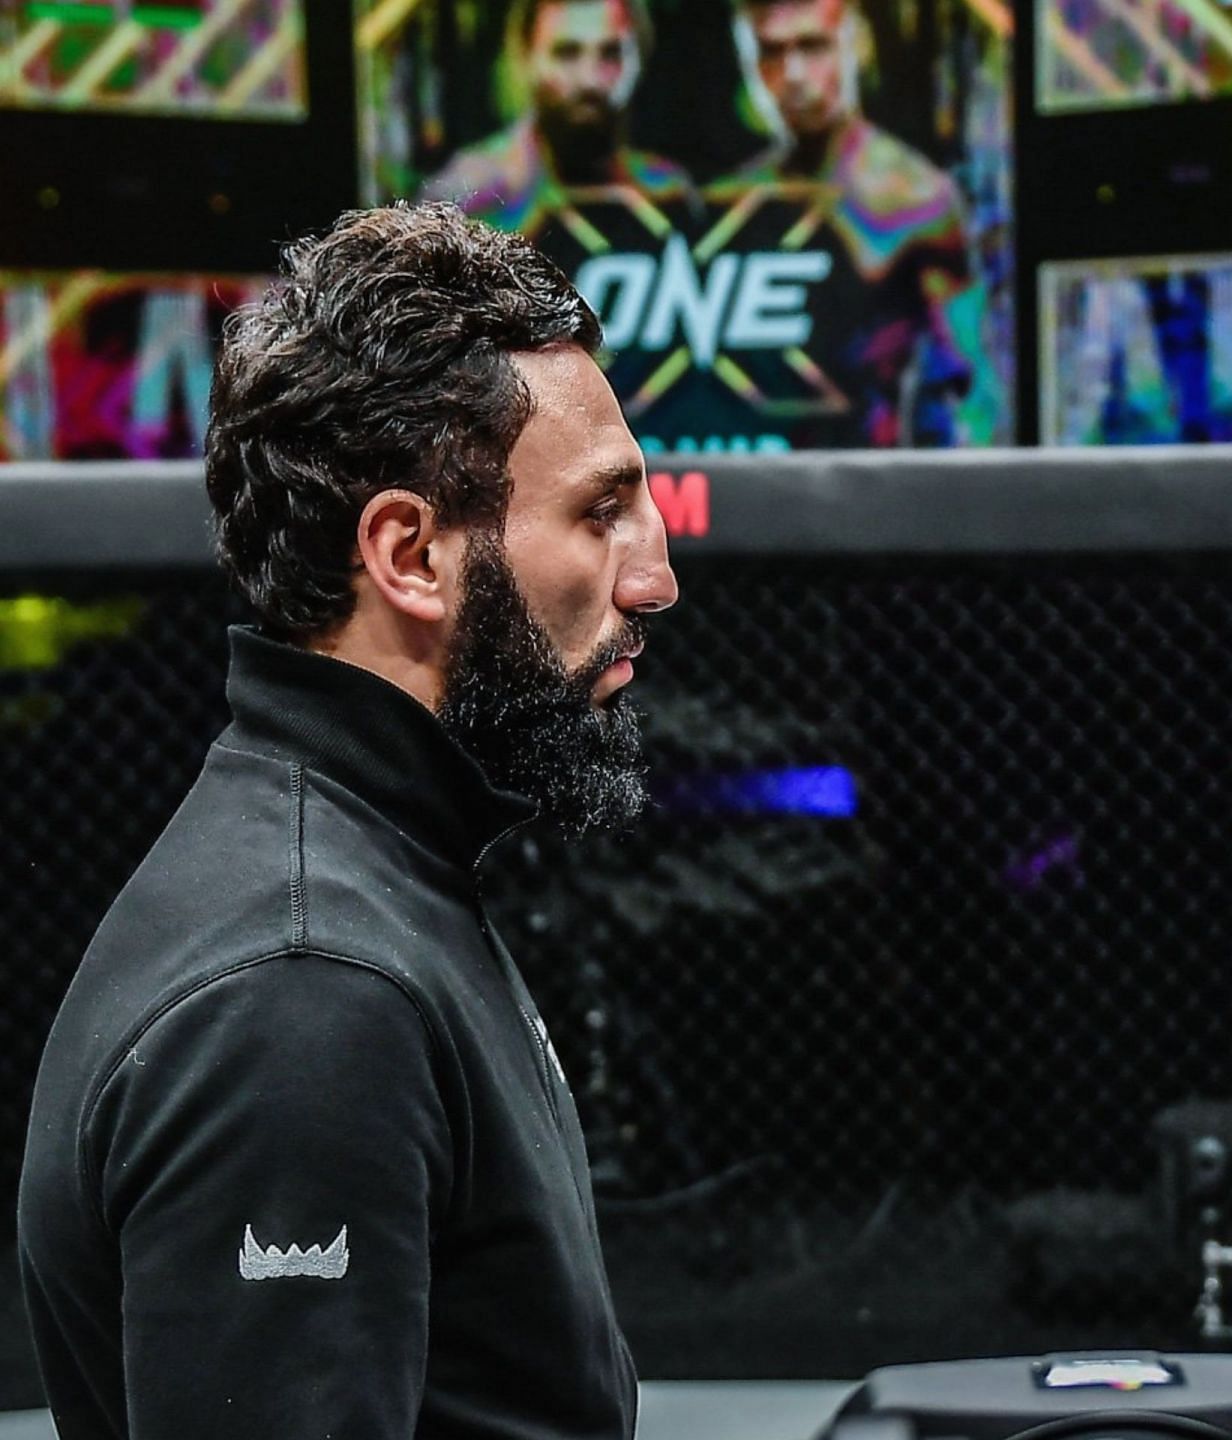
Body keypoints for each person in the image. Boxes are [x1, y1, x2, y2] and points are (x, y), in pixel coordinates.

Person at [16, 203, 679, 1439]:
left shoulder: (362, 880)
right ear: (410, 554)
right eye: (600, 513)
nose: (654, 578)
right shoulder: (307, 993)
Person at [707, 0, 976, 446]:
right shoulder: (735, 198)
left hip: (869, 489)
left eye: (813, 47)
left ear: (857, 45)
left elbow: (965, 380)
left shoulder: (913, 197)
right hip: (745, 480)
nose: (792, 74)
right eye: (771, 52)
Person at [421, 0, 694, 238]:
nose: (590, 79)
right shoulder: (468, 196)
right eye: (567, 53)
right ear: (526, 56)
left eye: (611, 53)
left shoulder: (666, 191)